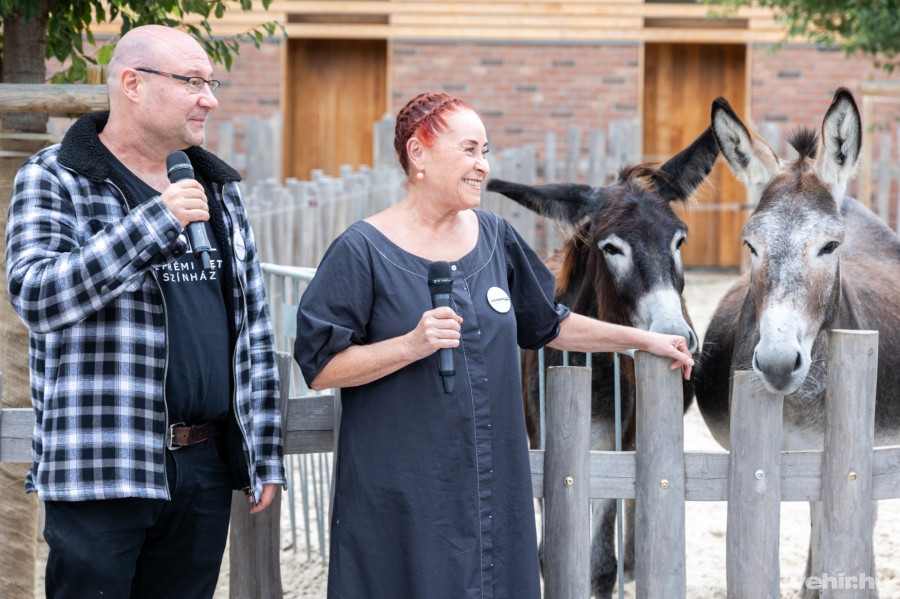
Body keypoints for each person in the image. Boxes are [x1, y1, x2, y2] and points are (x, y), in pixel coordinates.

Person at [293, 91, 694, 599]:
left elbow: (550, 324)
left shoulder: (496, 239)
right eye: (468, 151)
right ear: (418, 154)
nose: (482, 165)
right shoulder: (361, 250)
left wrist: (644, 339)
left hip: (491, 489)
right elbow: (321, 365)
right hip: (403, 491)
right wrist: (410, 345)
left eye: (486, 151)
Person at [5, 25, 286, 598]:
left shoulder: (217, 188)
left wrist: (263, 452)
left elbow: (251, 329)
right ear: (132, 83)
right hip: (101, 462)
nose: (209, 98)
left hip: (203, 467)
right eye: (192, 83)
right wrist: (155, 222)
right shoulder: (55, 177)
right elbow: (36, 296)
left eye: (210, 83)